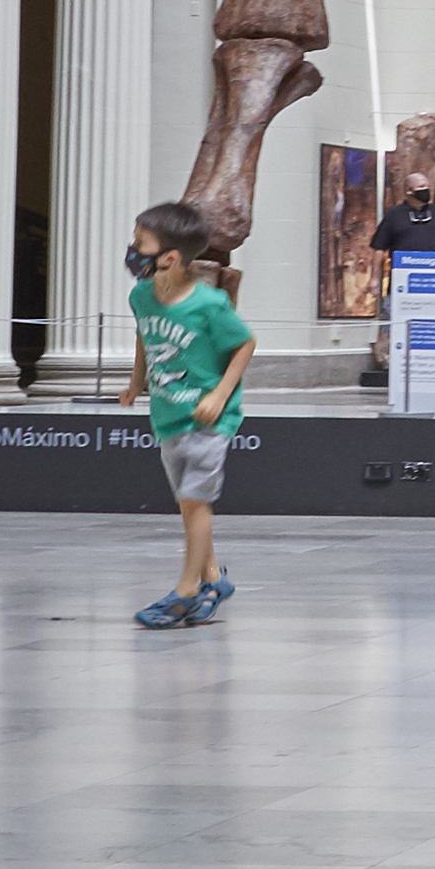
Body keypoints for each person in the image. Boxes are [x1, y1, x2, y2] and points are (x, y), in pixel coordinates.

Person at [125, 201, 257, 631]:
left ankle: (185, 591)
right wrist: (136, 382)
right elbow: (145, 337)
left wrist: (220, 394)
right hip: (168, 415)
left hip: (208, 421)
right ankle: (214, 578)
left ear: (170, 257)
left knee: (195, 503)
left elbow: (244, 344)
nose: (132, 250)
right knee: (189, 506)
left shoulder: (209, 303)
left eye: (140, 243)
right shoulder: (142, 296)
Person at [363, 167, 435, 389]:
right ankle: (386, 363)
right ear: (408, 191)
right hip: (402, 285)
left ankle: (429, 366)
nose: (425, 190)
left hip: (433, 284)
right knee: (390, 322)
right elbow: (379, 248)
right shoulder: (394, 215)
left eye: (427, 187)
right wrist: (374, 278)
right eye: (420, 187)